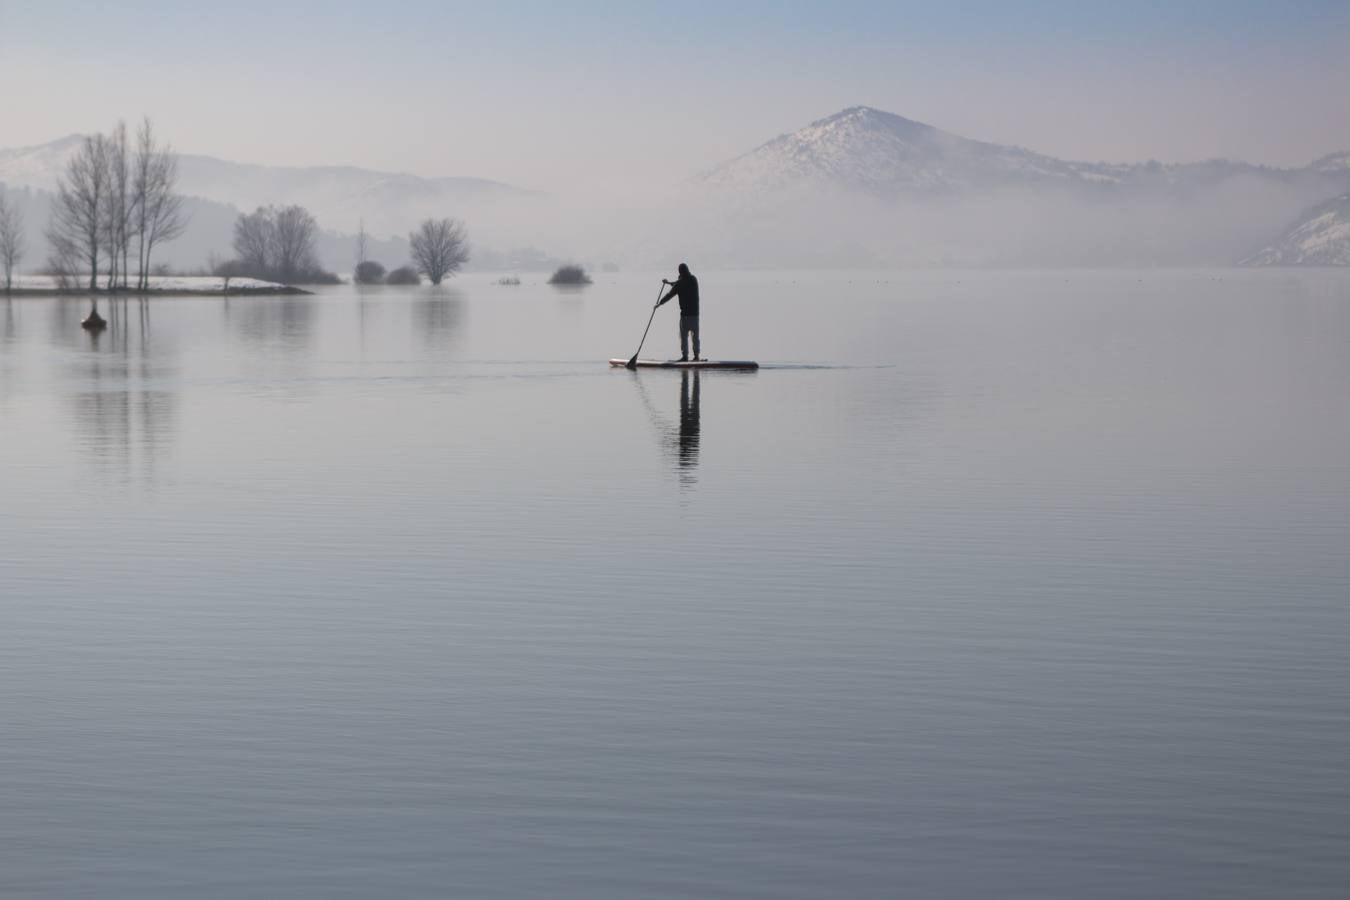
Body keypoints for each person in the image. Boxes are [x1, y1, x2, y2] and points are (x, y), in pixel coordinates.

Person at [657, 263, 700, 361]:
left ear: (680, 273)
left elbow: (670, 294)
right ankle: (696, 356)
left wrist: (660, 303)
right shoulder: (694, 279)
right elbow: (678, 283)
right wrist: (668, 283)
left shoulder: (680, 284)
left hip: (685, 316)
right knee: (695, 337)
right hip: (695, 316)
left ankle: (685, 357)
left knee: (684, 337)